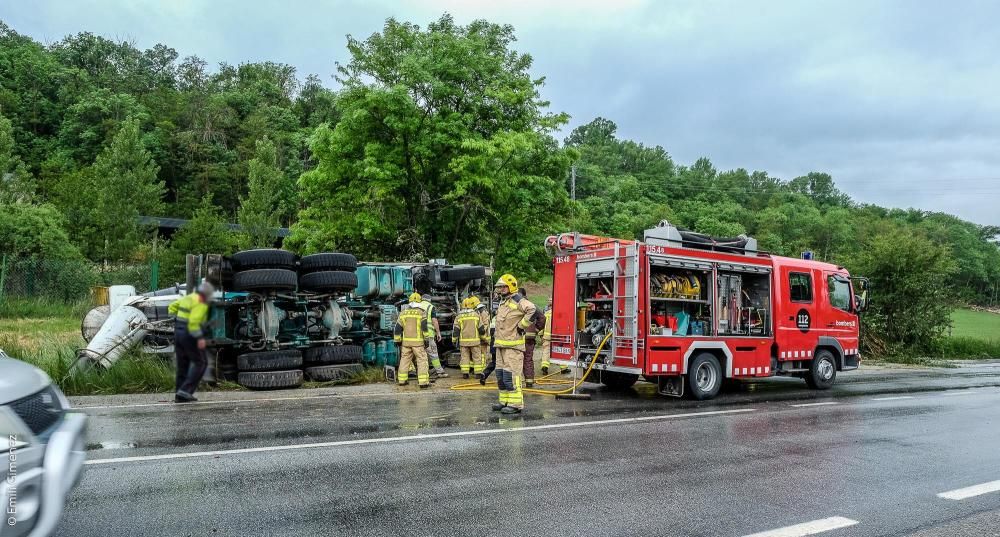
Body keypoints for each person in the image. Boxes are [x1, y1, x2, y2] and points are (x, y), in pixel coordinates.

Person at [491, 273, 536, 415]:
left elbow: (532, 310)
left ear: (511, 286)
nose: (501, 289)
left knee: (511, 376)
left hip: (513, 347)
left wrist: (522, 326)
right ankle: (504, 401)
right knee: (501, 375)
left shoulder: (518, 300)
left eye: (504, 287)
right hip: (501, 346)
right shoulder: (503, 301)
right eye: (500, 287)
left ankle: (515, 404)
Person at [168, 280, 215, 403]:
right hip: (189, 333)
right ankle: (185, 391)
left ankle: (179, 394)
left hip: (178, 332)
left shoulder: (188, 297)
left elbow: (172, 306)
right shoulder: (201, 302)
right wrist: (199, 338)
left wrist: (175, 319)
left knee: (183, 364)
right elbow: (194, 322)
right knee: (201, 362)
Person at [408, 292, 448, 378]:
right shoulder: (430, 307)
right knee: (433, 354)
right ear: (430, 300)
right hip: (428, 335)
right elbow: (434, 321)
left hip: (416, 335)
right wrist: (438, 332)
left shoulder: (415, 306)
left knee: (414, 354)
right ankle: (440, 372)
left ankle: (413, 370)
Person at [393, 298, 431, 388]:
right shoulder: (422, 312)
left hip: (406, 343)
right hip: (418, 343)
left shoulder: (403, 313)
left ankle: (402, 380)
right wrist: (426, 339)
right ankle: (423, 382)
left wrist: (397, 340)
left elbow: (397, 328)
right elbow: (424, 327)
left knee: (404, 360)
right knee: (422, 360)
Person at [453, 297, 487, 379]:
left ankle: (465, 374)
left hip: (463, 342)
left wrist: (454, 340)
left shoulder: (459, 317)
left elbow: (456, 330)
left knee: (465, 357)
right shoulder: (476, 315)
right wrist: (483, 338)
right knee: (477, 357)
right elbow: (481, 329)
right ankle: (478, 373)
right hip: (475, 342)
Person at [539, 302, 568, 374]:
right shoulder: (560, 313)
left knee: (546, 351)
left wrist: (541, 335)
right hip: (557, 336)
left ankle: (544, 367)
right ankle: (564, 368)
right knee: (560, 351)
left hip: (547, 336)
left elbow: (542, 325)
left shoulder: (546, 313)